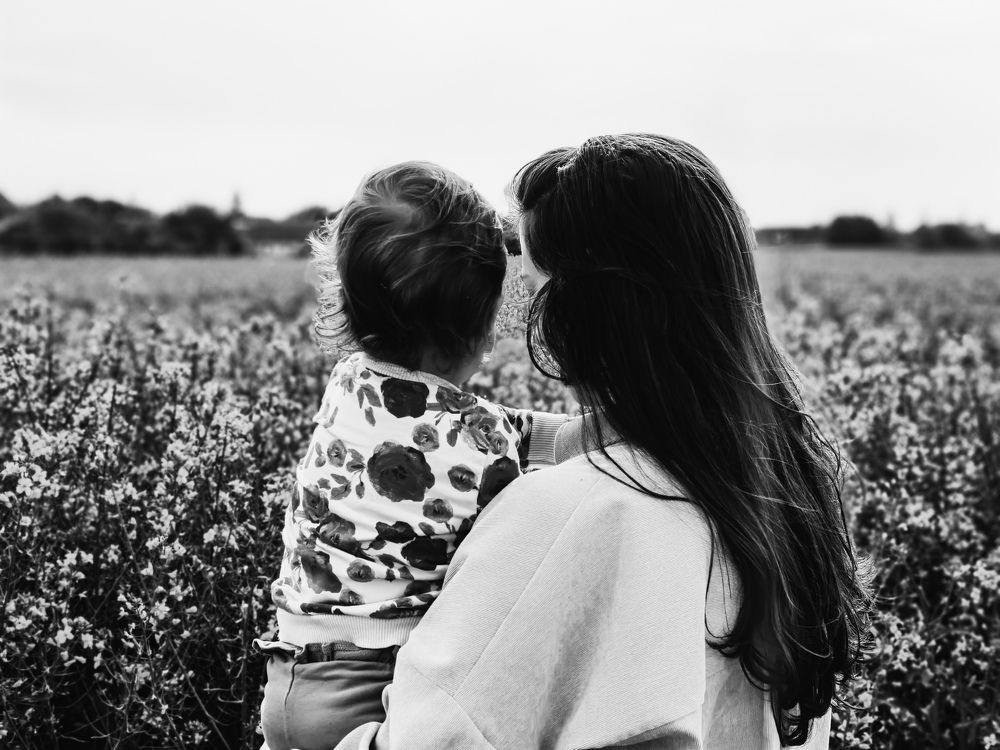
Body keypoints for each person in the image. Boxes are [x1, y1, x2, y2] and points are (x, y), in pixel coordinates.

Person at [335, 135, 871, 749]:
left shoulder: (572, 514)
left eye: (531, 286)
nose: (510, 313)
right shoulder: (778, 502)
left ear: (582, 311)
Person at [256, 162, 567, 750]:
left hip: (293, 673)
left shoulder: (351, 384)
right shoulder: (480, 447)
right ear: (483, 324)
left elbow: (495, 429)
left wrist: (583, 432)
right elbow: (528, 518)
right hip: (370, 688)